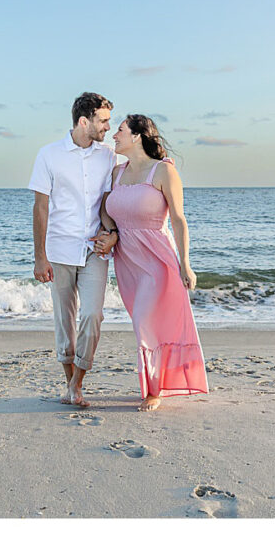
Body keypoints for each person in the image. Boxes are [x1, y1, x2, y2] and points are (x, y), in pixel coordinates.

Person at [94, 114, 208, 411]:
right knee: (145, 323)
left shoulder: (163, 171)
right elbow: (106, 209)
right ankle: (156, 383)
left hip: (157, 260)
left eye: (120, 130)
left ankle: (154, 390)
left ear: (137, 136)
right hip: (127, 261)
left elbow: (179, 219)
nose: (114, 135)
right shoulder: (117, 172)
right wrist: (111, 233)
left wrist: (185, 263)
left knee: (144, 320)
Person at [28, 92, 116, 408]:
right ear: (83, 121)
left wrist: (113, 234)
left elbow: (109, 201)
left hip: (95, 250)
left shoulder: (109, 156)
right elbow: (40, 208)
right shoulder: (49, 155)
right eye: (103, 120)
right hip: (59, 249)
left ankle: (77, 381)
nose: (108, 127)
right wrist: (40, 257)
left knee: (93, 315)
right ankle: (72, 385)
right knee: (64, 322)